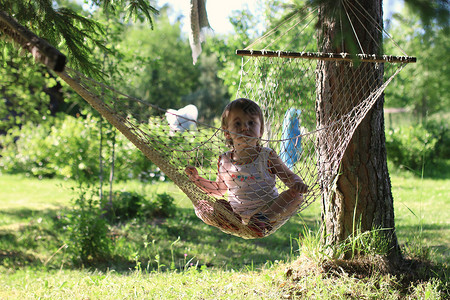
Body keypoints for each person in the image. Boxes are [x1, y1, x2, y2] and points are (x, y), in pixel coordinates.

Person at [185, 98, 308, 235]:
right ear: (227, 132)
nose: (245, 128)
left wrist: (297, 183)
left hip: (269, 209)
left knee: (297, 196)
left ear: (260, 130)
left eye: (251, 123)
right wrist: (196, 179)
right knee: (201, 206)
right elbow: (219, 189)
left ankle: (261, 221)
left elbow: (288, 176)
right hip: (236, 213)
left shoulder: (267, 156)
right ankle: (229, 222)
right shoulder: (224, 160)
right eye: (237, 124)